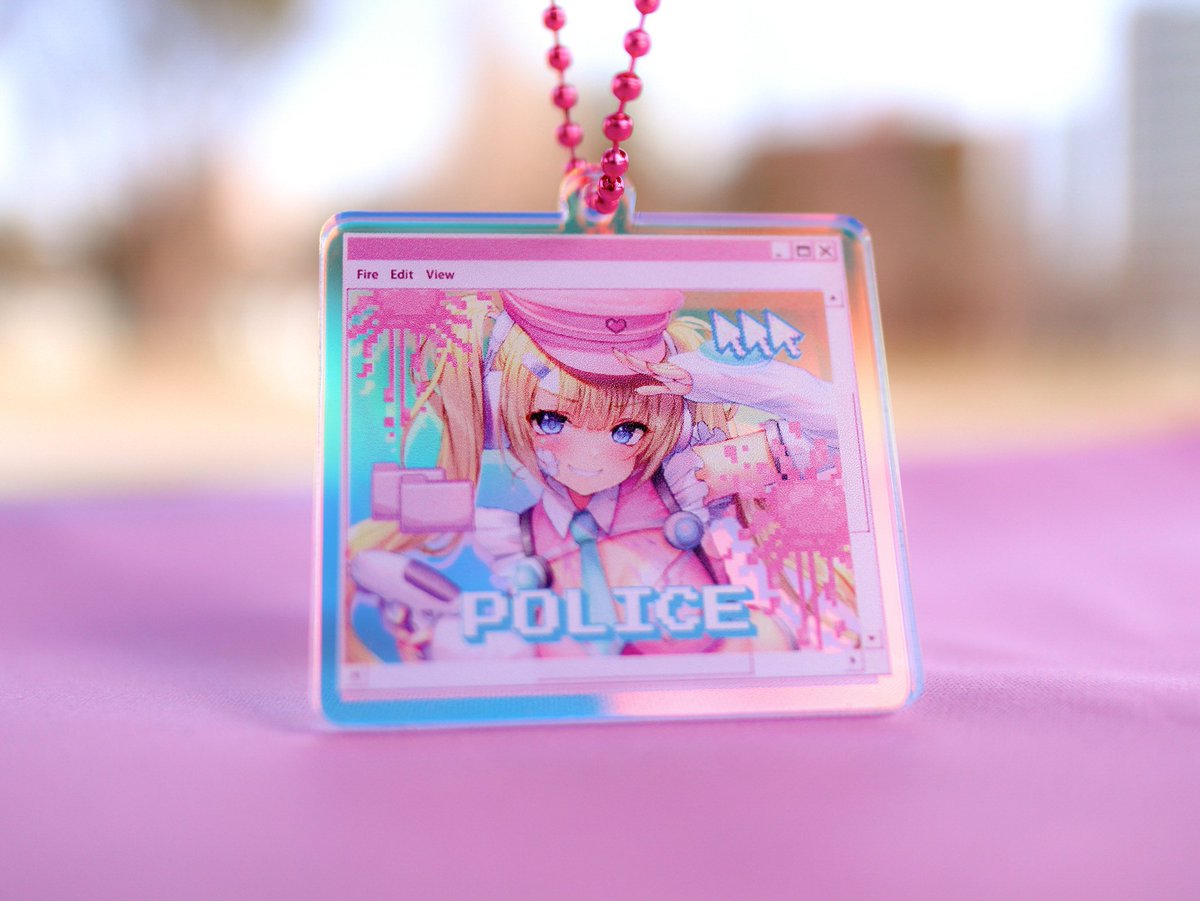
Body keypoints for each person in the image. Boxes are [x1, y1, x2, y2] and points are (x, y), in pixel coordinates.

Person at [348, 288, 852, 661]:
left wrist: (715, 380)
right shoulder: (512, 534)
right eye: (550, 420)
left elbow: (838, 429)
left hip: (717, 694)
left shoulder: (690, 479)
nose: (590, 456)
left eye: (627, 429)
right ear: (501, 411)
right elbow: (383, 541)